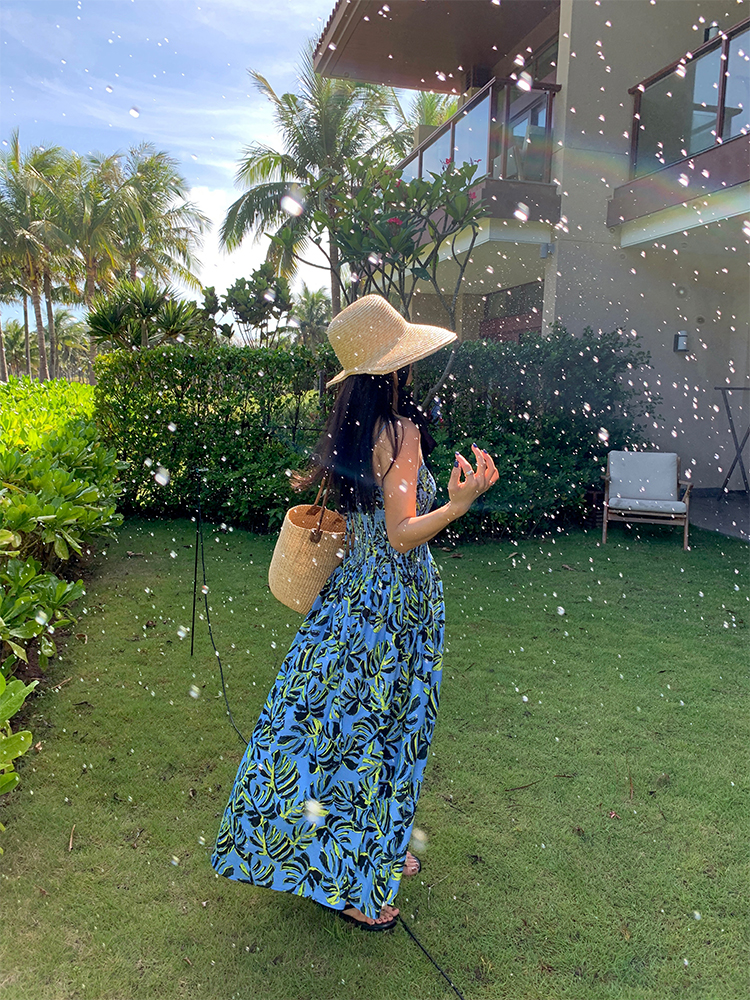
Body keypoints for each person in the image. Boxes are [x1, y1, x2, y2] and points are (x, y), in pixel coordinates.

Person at [211, 295, 498, 930]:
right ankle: (350, 883)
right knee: (381, 733)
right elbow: (400, 534)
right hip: (394, 603)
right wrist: (458, 503)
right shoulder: (400, 432)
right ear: (395, 366)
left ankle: (376, 848)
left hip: (351, 597)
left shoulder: (355, 429)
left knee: (333, 729)